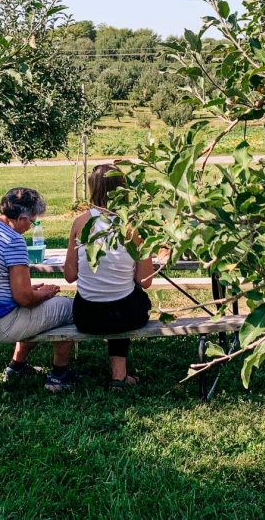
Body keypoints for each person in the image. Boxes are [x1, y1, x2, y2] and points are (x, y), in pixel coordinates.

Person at [0, 187, 78, 392]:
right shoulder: (13, 241)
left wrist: (33, 293)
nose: (30, 226)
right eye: (32, 221)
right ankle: (59, 375)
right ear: (22, 217)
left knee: (45, 308)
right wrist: (44, 293)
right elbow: (24, 299)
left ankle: (17, 366)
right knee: (68, 307)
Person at [65, 164, 153, 389]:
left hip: (87, 316)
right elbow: (145, 281)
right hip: (126, 315)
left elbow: (69, 275)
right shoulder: (133, 226)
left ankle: (119, 375)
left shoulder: (80, 223)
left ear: (92, 188)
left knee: (116, 299)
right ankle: (119, 375)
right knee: (128, 298)